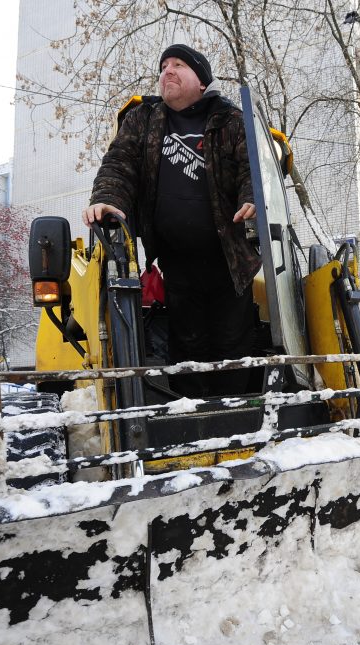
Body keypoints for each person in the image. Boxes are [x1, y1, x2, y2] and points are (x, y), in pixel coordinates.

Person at [82, 44, 259, 396]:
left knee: (232, 344)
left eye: (179, 65)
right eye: (164, 66)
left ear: (202, 82)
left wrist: (252, 197)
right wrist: (106, 199)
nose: (168, 71)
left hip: (230, 263)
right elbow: (120, 164)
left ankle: (236, 417)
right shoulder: (144, 119)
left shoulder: (232, 120)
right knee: (187, 344)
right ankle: (192, 418)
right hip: (175, 262)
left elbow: (251, 168)